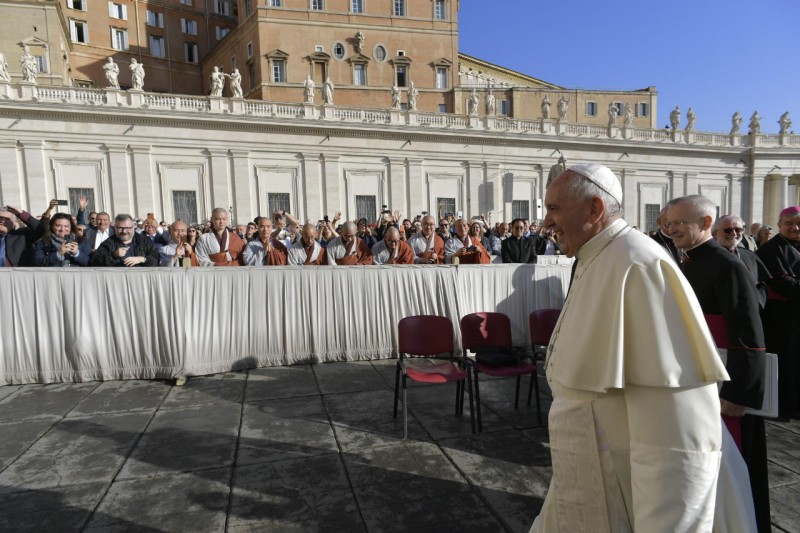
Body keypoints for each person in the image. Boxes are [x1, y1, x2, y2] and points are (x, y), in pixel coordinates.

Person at [531, 163, 737, 532]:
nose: (546, 222)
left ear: (594, 209)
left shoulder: (639, 264)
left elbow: (677, 426)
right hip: (582, 469)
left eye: (554, 208)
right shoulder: (597, 255)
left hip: (618, 483)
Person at [668, 196, 769, 531]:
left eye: (679, 222)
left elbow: (748, 333)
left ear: (706, 223)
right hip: (699, 378)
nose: (671, 229)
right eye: (668, 223)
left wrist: (739, 393)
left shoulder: (728, 266)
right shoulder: (689, 261)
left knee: (734, 465)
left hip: (726, 386)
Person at [757, 206, 800, 417]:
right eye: (789, 224)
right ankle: (788, 406)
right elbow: (782, 282)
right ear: (779, 226)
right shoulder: (770, 250)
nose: (795, 228)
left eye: (798, 223)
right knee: (788, 361)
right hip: (782, 317)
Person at [712, 214, 770, 309]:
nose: (734, 233)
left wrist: (758, 303)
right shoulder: (707, 256)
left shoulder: (749, 255)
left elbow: (761, 285)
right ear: (715, 233)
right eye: (728, 230)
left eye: (738, 230)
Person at [89, 214, 159, 267]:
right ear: (115, 228)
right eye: (120, 228)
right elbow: (95, 262)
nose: (124, 231)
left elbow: (156, 259)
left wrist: (142, 259)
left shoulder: (145, 241)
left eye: (128, 228)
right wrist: (113, 255)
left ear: (133, 227)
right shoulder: (108, 243)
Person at [0, 201, 53, 267]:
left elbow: (40, 229)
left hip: (17, 272)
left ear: (14, 222)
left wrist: (21, 214)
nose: (2, 221)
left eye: (7, 219)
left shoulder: (22, 235)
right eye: (0, 218)